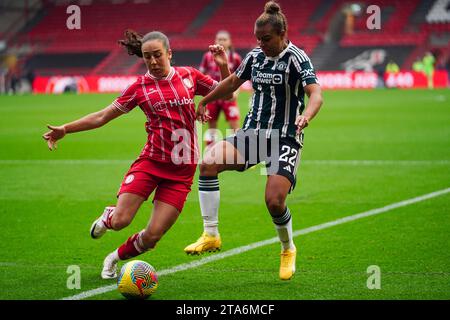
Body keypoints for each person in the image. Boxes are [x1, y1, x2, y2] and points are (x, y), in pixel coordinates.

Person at [42, 30, 231, 279]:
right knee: (121, 221)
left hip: (182, 172)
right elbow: (102, 116)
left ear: (169, 53)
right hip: (151, 163)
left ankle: (113, 258)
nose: (153, 61)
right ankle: (110, 215)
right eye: (147, 57)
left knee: (152, 237)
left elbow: (227, 94)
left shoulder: (189, 76)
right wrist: (66, 129)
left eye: (157, 55)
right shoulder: (139, 87)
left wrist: (224, 67)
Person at [184, 1, 323, 281]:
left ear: (283, 34)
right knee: (208, 163)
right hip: (253, 135)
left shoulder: (297, 58)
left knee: (274, 201)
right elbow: (233, 82)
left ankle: (287, 248)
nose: (261, 44)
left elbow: (316, 94)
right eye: (258, 39)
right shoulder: (255, 56)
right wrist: (205, 100)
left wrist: (306, 115)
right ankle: (211, 234)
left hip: (284, 138)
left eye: (267, 39)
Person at [199, 30, 242, 146]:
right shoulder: (208, 56)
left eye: (224, 39)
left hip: (229, 96)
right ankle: (210, 152)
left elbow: (241, 78)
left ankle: (240, 151)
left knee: (234, 126)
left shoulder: (235, 57)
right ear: (215, 41)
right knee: (211, 125)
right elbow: (201, 75)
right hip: (214, 96)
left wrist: (236, 94)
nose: (221, 41)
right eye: (219, 39)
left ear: (230, 42)